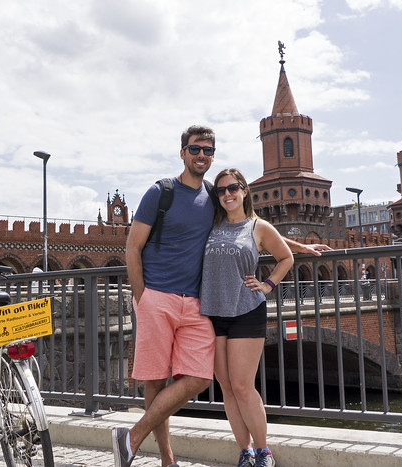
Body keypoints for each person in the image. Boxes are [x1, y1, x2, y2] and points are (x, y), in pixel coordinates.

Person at [114, 125, 329, 467]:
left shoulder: (213, 199)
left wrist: (300, 247)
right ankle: (167, 460)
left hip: (201, 305)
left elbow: (250, 227)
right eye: (195, 149)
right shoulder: (163, 192)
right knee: (158, 380)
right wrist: (142, 299)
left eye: (208, 151)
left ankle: (133, 437)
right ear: (183, 152)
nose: (202, 156)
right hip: (163, 298)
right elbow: (133, 247)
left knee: (200, 378)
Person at [200, 168, 291, 467]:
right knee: (225, 386)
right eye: (221, 190)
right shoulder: (210, 225)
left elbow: (286, 257)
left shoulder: (258, 226)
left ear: (244, 190)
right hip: (213, 312)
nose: (227, 194)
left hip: (246, 310)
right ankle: (245, 451)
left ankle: (264, 451)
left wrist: (267, 285)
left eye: (233, 188)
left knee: (241, 384)